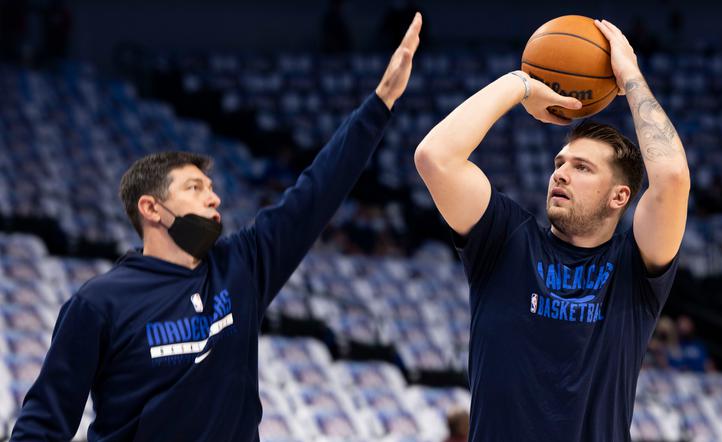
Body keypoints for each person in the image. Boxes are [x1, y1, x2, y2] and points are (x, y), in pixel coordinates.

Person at [11, 13, 422, 442]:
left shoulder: (241, 265)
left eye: (210, 187)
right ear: (150, 208)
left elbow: (315, 194)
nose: (214, 198)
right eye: (194, 188)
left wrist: (381, 102)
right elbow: (42, 426)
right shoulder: (98, 304)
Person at [414, 19, 689, 441]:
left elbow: (671, 178)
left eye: (581, 168)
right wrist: (520, 84)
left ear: (619, 196)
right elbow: (435, 157)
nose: (560, 174)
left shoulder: (633, 270)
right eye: (559, 164)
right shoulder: (505, 240)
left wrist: (629, 75)